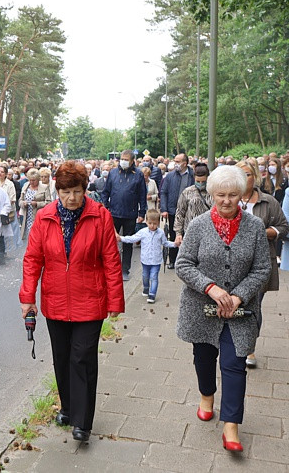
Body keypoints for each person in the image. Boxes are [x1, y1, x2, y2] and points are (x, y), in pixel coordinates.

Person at [20, 160, 124, 442]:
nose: (72, 198)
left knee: (83, 359)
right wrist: (27, 298)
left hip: (90, 299)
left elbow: (112, 261)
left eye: (77, 191)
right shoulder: (44, 217)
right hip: (55, 299)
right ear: (58, 191)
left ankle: (82, 421)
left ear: (84, 189)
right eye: (66, 192)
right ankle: (67, 407)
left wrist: (115, 300)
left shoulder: (100, 216)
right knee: (62, 358)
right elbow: (33, 260)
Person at [175, 165, 271, 453]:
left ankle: (231, 424)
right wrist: (211, 288)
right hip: (201, 308)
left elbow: (263, 268)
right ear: (212, 194)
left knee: (234, 364)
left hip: (240, 312)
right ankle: (206, 396)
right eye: (221, 195)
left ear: (241, 194)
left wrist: (238, 296)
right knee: (204, 358)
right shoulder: (198, 225)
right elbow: (183, 264)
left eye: (232, 195)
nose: (227, 201)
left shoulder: (254, 227)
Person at [235, 159, 288, 368]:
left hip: (259, 264)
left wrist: (262, 232)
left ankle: (249, 348)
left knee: (253, 305)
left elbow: (283, 226)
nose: (242, 178)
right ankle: (232, 343)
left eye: (247, 174)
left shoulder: (267, 201)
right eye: (238, 174)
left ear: (255, 176)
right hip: (231, 263)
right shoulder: (228, 199)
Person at [101, 150, 147, 281]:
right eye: (122, 158)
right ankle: (110, 267)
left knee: (127, 243)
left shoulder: (138, 175)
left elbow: (142, 195)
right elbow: (105, 192)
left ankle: (125, 269)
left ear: (132, 161)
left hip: (130, 214)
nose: (123, 161)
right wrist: (105, 206)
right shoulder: (113, 173)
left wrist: (141, 212)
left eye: (126, 159)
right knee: (110, 242)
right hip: (113, 213)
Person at [117, 209, 177, 303]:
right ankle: (146, 287)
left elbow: (165, 243)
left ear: (158, 222)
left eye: (155, 223)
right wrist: (121, 238)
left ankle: (152, 294)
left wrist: (174, 244)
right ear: (146, 221)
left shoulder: (160, 233)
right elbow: (133, 238)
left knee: (154, 277)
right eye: (150, 223)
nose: (152, 226)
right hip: (145, 259)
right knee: (145, 276)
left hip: (156, 260)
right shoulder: (143, 232)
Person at [159, 153, 195, 269]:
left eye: (178, 162)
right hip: (173, 211)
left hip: (189, 211)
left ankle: (187, 261)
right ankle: (173, 260)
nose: (175, 164)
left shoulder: (192, 176)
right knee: (174, 235)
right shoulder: (170, 176)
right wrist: (164, 209)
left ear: (185, 163)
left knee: (188, 236)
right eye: (175, 161)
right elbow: (163, 192)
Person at [174, 163, 211, 247]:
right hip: (190, 233)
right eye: (198, 181)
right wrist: (178, 233)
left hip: (209, 232)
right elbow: (180, 212)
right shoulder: (187, 192)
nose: (200, 183)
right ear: (194, 178)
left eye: (203, 181)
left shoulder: (213, 192)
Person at [19, 168, 52, 240]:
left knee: (38, 238)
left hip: (39, 217)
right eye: (30, 180)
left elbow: (49, 203)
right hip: (27, 217)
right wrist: (23, 203)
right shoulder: (25, 186)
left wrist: (37, 204)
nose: (31, 182)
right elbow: (20, 200)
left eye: (33, 180)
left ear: (38, 179)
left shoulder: (44, 187)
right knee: (30, 238)